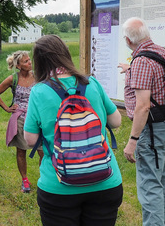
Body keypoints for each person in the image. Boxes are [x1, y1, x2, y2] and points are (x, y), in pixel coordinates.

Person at [24, 35, 123, 225]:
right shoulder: (91, 83)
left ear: (39, 61)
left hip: (59, 186)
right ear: (65, 54)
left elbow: (30, 140)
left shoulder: (39, 91)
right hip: (105, 181)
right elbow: (116, 121)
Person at [118, 17, 165, 226]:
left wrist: (132, 140)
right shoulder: (162, 51)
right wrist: (131, 70)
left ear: (128, 40)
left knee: (149, 188)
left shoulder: (142, 61)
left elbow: (143, 106)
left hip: (153, 132)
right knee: (161, 182)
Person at [0, 50, 43, 193]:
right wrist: (7, 109)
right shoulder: (13, 79)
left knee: (42, 152)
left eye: (29, 60)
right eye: (26, 61)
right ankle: (25, 180)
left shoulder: (38, 77)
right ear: (19, 66)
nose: (30, 62)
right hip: (20, 119)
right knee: (21, 151)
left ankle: (43, 180)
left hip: (36, 118)